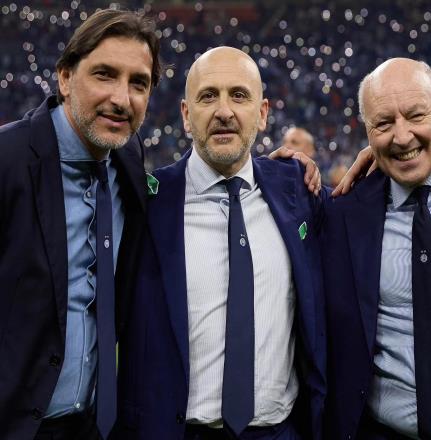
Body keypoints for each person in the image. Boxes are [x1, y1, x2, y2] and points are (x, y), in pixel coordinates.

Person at [115, 46, 327, 440]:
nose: (224, 111)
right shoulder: (145, 203)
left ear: (262, 113)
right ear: (186, 115)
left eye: (239, 96)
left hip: (279, 432)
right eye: (208, 96)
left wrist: (407, 146)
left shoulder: (297, 191)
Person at [0, 9, 163, 440]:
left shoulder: (129, 157)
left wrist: (283, 171)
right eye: (104, 74)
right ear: (66, 78)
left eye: (138, 83)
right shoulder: (8, 160)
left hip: (92, 426)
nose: (122, 99)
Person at [322, 58, 431, 439]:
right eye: (383, 124)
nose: (402, 138)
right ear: (366, 132)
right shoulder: (345, 212)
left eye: (416, 114)